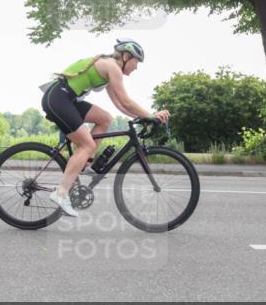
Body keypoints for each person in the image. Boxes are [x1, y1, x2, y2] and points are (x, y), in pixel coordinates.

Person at [41, 38, 170, 216]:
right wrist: (150, 115)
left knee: (105, 119)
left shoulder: (109, 69)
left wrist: (142, 117)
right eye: (136, 62)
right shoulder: (112, 67)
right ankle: (61, 193)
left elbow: (120, 105)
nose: (136, 67)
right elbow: (126, 101)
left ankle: (85, 164)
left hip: (65, 99)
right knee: (87, 145)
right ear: (126, 57)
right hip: (58, 98)